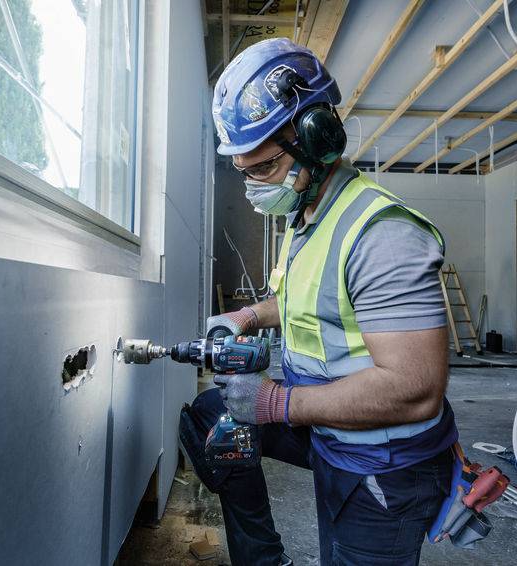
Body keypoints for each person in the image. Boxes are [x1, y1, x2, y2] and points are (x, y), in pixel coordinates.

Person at [180, 38, 457, 566]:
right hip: (332, 428)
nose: (252, 186)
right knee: (212, 415)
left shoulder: (381, 235)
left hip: (385, 462)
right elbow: (299, 301)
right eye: (243, 171)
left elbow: (415, 390)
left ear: (316, 136)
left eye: (261, 168)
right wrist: (249, 316)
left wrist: (276, 403)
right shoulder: (308, 218)